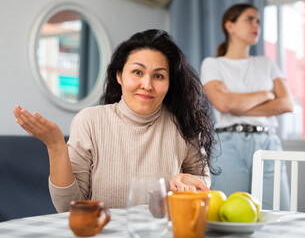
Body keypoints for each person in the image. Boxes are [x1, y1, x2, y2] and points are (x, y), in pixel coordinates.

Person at [13, 29, 216, 212]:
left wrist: (189, 181)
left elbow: (202, 181)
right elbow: (68, 207)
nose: (147, 85)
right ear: (119, 75)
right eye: (137, 72)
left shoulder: (182, 123)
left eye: (159, 76)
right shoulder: (89, 121)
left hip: (162, 231)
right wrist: (55, 145)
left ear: (170, 83)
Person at [200, 3, 293, 210]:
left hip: (269, 143)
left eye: (258, 20)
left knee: (278, 213)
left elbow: (287, 103)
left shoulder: (267, 64)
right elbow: (223, 104)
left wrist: (238, 105)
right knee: (229, 213)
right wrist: (267, 95)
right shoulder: (213, 64)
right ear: (230, 26)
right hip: (228, 144)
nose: (256, 25)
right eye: (249, 19)